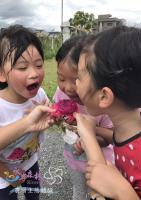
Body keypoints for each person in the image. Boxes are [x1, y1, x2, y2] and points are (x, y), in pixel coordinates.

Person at [74, 25, 141, 200]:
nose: (76, 84)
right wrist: (97, 132)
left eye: (79, 77)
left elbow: (100, 180)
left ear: (104, 96)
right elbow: (121, 139)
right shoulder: (132, 125)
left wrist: (123, 192)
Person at [53, 35, 114, 200]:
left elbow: (110, 137)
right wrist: (57, 118)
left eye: (76, 79)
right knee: (78, 192)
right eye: (61, 78)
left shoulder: (102, 103)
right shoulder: (60, 94)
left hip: (101, 162)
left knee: (98, 193)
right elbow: (61, 120)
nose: (68, 88)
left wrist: (88, 140)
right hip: (72, 157)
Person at [0, 25, 54, 200]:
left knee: (34, 194)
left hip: (30, 162)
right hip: (3, 174)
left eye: (38, 65)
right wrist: (10, 175)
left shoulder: (39, 94)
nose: (34, 74)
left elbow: (49, 113)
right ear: (2, 73)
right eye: (22, 68)